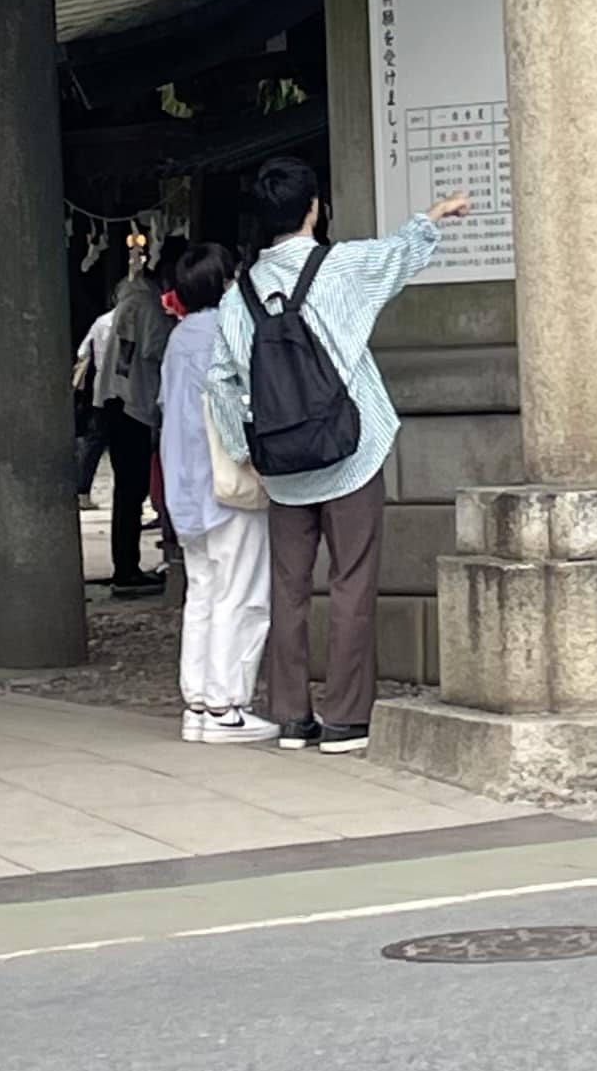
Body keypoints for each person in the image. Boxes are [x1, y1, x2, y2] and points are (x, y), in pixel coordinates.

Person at [208, 155, 471, 753]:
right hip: (351, 452)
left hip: (283, 467)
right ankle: (346, 718)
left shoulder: (238, 296)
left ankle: (292, 715)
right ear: (313, 208)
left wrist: (246, 449)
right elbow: (399, 254)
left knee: (289, 587)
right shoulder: (342, 266)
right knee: (352, 582)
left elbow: (222, 381)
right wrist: (435, 214)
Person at [159, 240, 272, 740]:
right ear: (228, 282)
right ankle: (228, 703)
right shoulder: (231, 331)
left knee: (203, 593)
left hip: (185, 488)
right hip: (227, 484)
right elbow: (237, 404)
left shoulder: (180, 337)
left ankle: (200, 702)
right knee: (242, 594)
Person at [82, 244, 173, 599]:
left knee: (126, 491)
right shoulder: (149, 306)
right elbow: (154, 351)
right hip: (134, 403)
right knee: (131, 491)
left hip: (115, 400)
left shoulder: (126, 305)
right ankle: (126, 567)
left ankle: (125, 562)